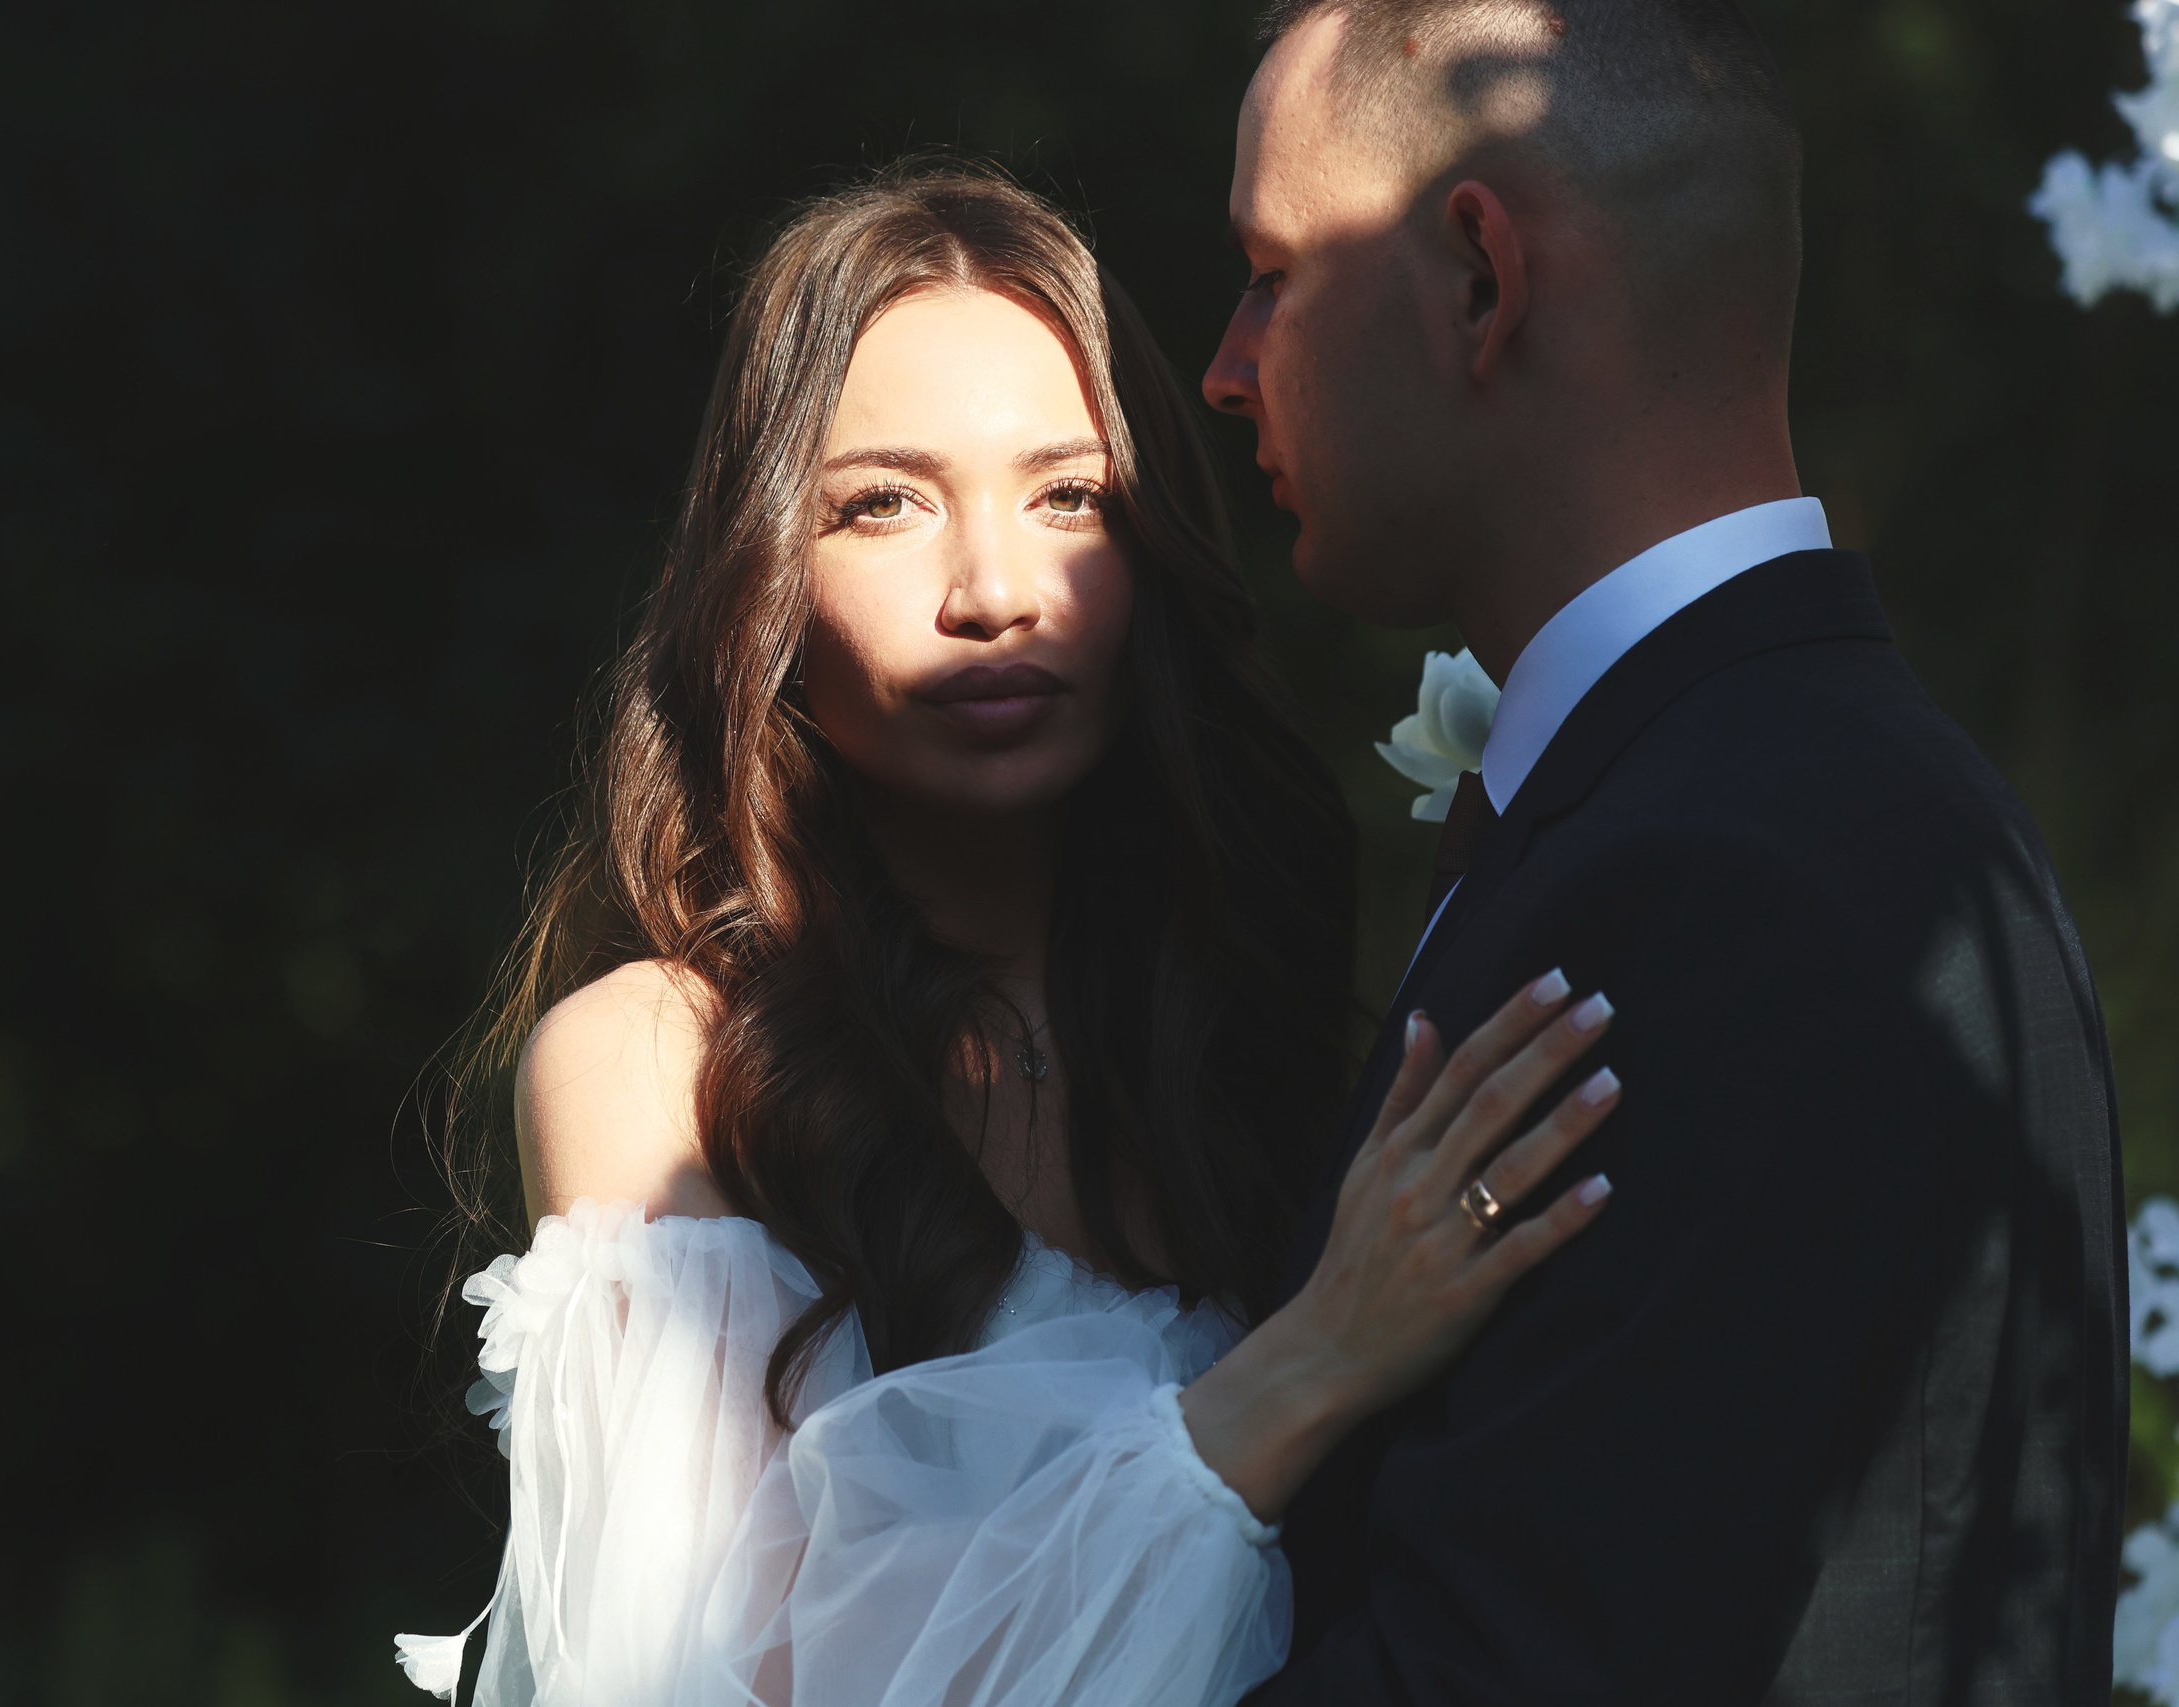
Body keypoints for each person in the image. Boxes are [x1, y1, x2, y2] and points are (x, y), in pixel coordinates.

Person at [395, 166, 1620, 1706]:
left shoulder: (1240, 1026)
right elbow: (722, 1677)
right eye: (883, 504)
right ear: (766, 575)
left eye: (1069, 500)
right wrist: (1305, 1366)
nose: (994, 594)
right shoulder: (659, 1062)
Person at [1200, 1, 2126, 1700]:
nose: (1228, 363)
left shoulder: (1742, 885)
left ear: (1482, 280)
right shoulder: (1757, 805)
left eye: (1274, 272)